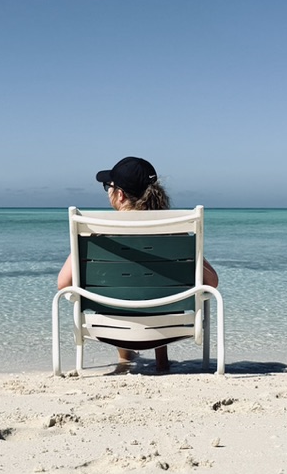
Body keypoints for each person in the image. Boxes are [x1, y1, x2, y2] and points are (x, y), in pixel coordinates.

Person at [57, 156, 218, 374]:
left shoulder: (96, 232)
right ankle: (161, 361)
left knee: (118, 281)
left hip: (110, 329)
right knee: (156, 281)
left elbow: (63, 283)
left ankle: (124, 360)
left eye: (108, 186)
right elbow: (212, 282)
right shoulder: (176, 230)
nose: (107, 191)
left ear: (120, 194)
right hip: (168, 328)